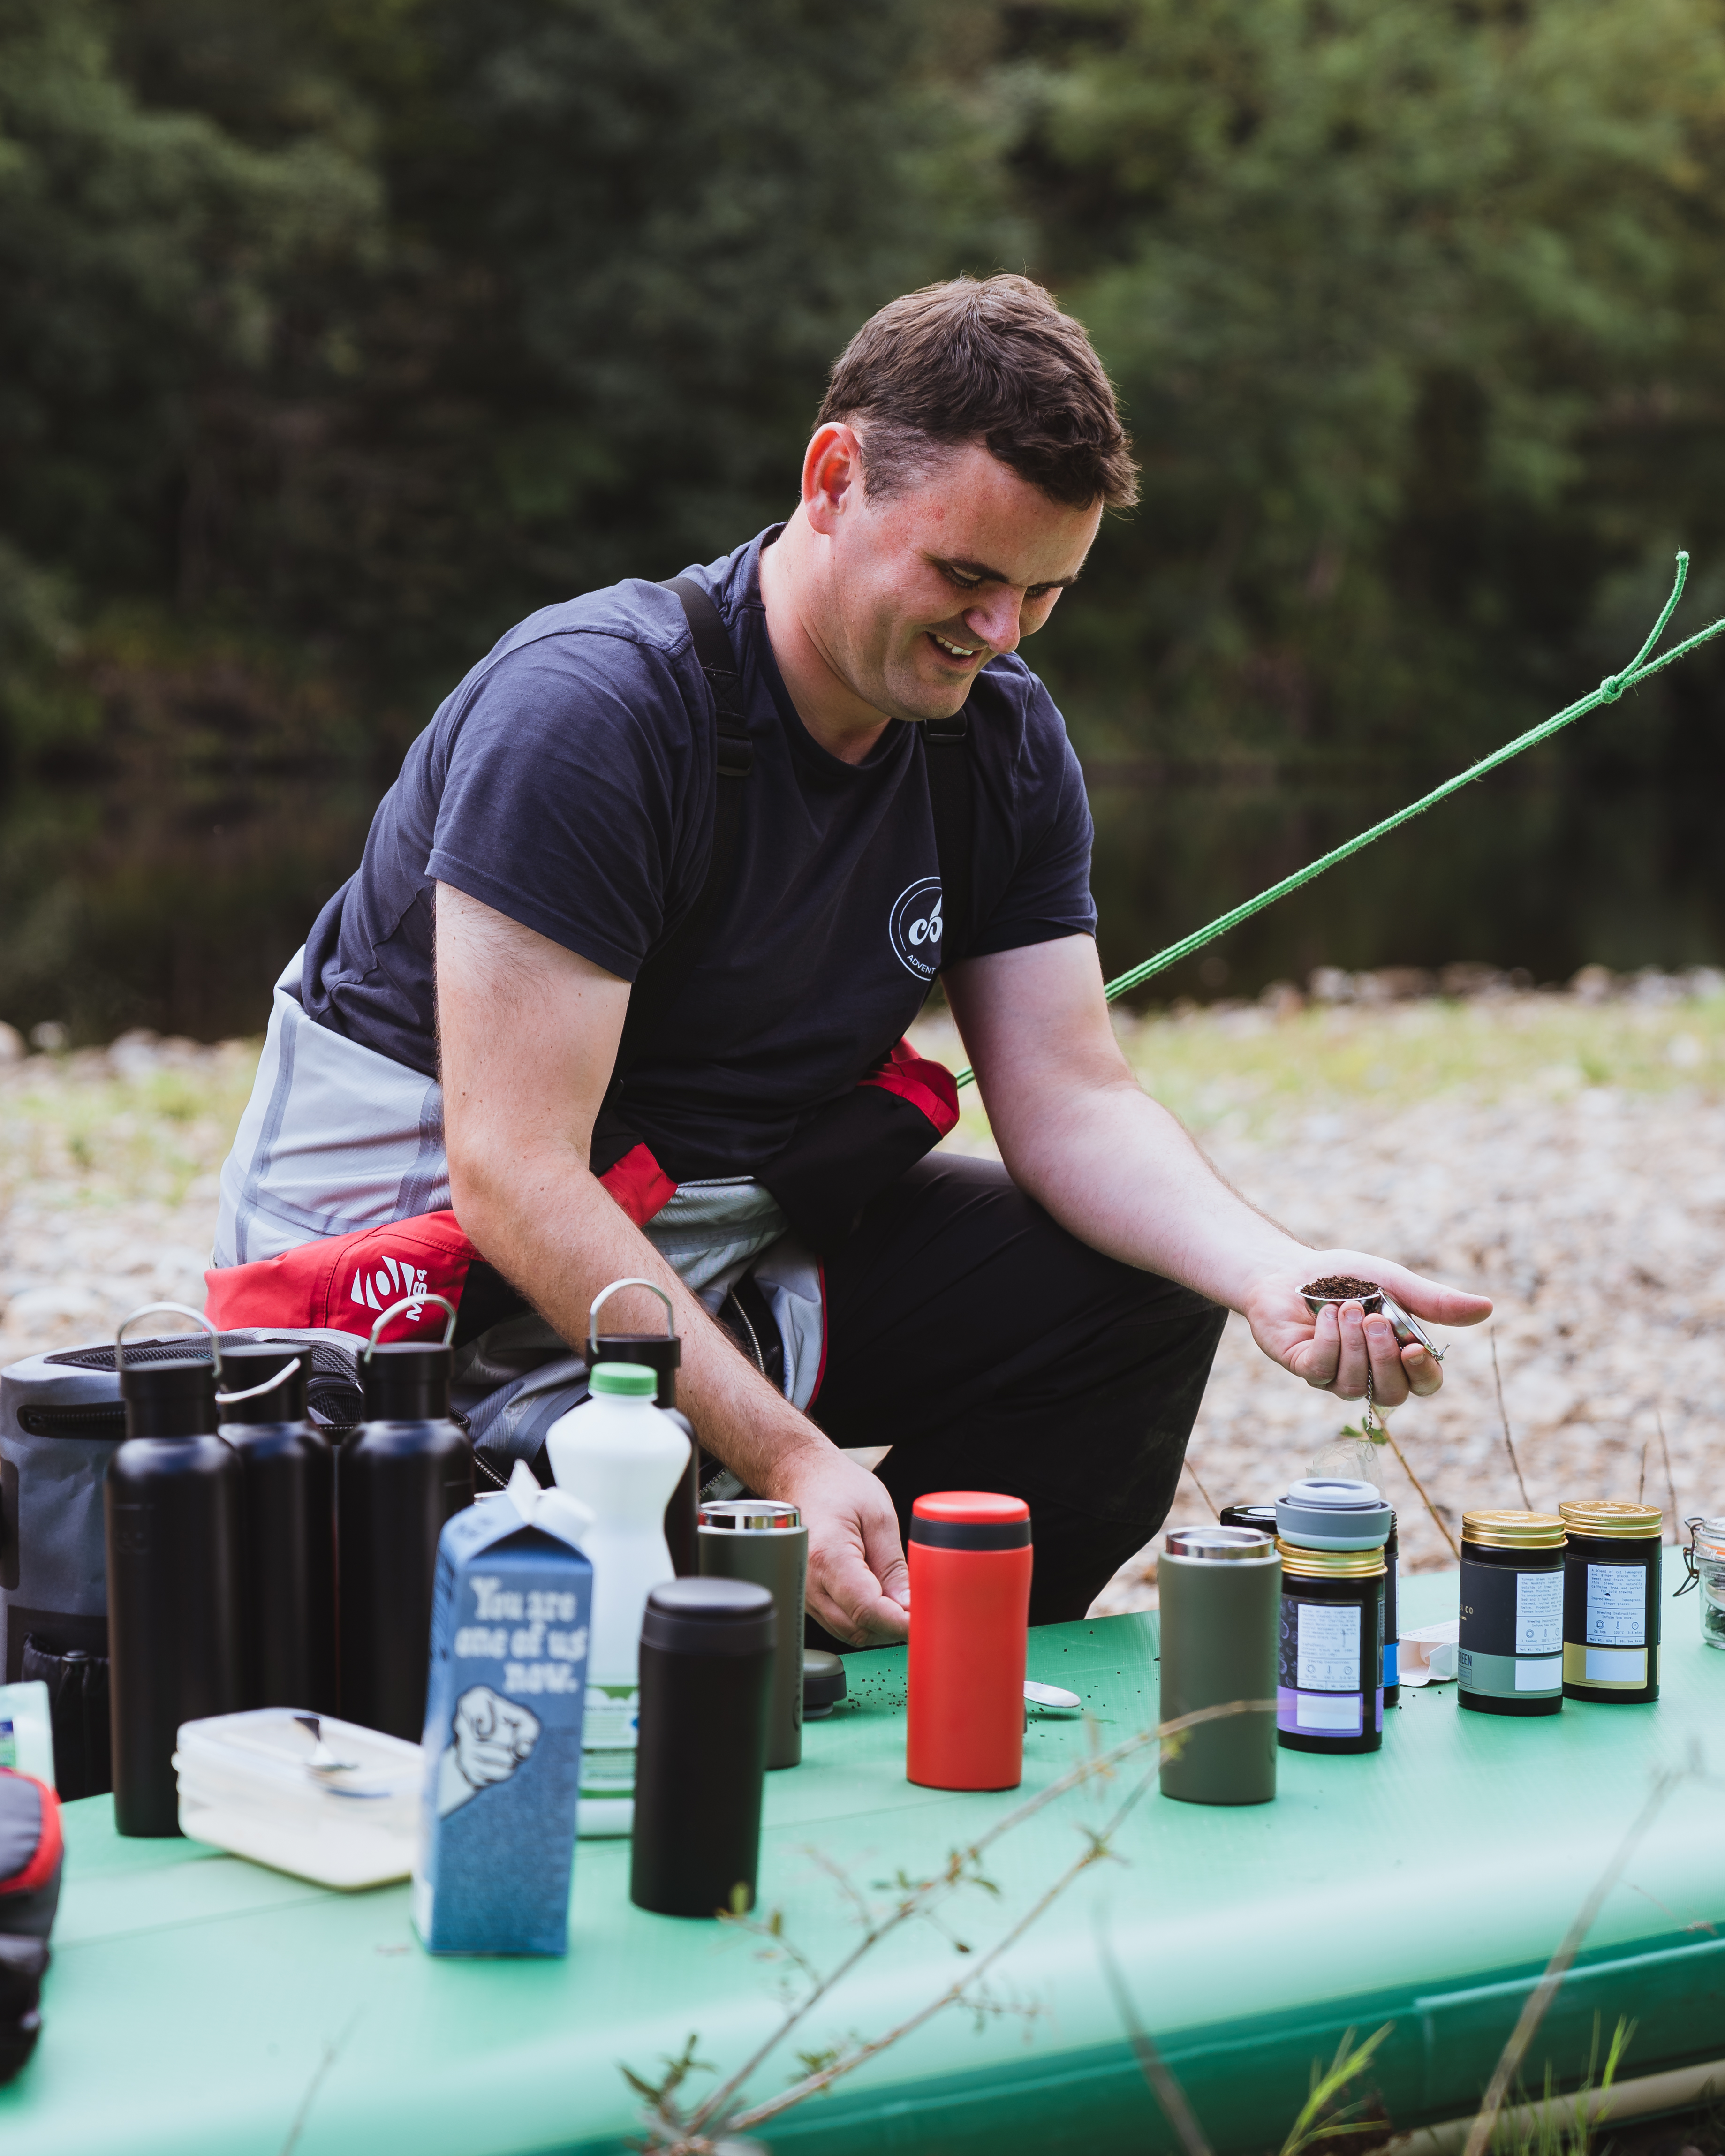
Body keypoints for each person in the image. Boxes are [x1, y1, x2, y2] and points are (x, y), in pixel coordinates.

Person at [206, 274, 1490, 1648]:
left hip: (717, 1255)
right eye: (966, 576)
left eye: (1045, 593)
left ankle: (915, 1658)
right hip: (426, 1295)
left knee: (1141, 1300)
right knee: (614, 1562)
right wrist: (788, 1459)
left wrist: (1265, 1270)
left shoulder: (995, 740)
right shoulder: (591, 710)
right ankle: (757, 1630)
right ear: (833, 479)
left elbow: (1073, 1094)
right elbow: (513, 1173)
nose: (997, 634)